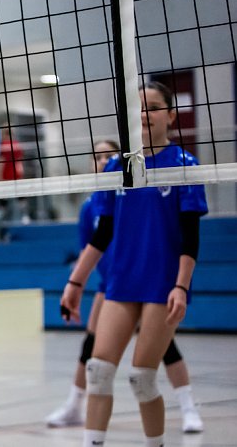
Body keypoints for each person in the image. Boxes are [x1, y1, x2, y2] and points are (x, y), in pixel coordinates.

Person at [60, 82, 208, 447]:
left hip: (161, 285)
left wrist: (182, 286)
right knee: (98, 371)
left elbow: (190, 237)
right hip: (121, 284)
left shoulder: (185, 165)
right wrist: (75, 283)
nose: (144, 115)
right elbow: (102, 235)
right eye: (138, 108)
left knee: (142, 377)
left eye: (153, 107)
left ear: (170, 116)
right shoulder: (117, 166)